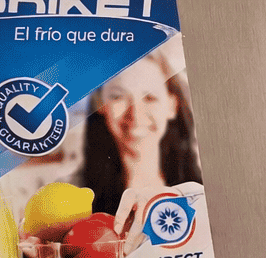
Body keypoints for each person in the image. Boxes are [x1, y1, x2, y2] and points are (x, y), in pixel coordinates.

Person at [78, 50, 201, 230]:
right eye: (118, 96)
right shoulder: (75, 198)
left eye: (150, 98)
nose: (135, 115)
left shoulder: (201, 193)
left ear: (172, 105)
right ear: (100, 104)